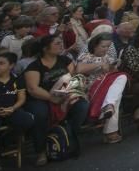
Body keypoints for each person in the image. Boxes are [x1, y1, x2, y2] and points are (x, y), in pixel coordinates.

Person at [22, 35, 89, 166]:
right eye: (57, 43)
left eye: (61, 43)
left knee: (82, 105)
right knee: (40, 114)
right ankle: (40, 151)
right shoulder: (34, 66)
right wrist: (52, 98)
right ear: (45, 48)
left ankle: (69, 138)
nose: (61, 45)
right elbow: (33, 89)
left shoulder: (65, 60)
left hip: (64, 94)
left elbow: (74, 78)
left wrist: (71, 93)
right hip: (41, 97)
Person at [0, 51, 34, 170]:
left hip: (12, 110)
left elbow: (22, 98)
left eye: (1, 63)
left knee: (28, 120)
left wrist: (13, 108)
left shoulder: (17, 79)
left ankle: (5, 140)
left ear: (11, 65)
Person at [75, 33, 127, 144]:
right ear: (94, 46)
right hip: (92, 89)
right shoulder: (86, 56)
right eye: (103, 46)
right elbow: (79, 69)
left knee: (121, 77)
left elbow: (113, 75)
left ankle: (108, 105)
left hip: (106, 88)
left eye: (108, 46)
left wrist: (112, 67)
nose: (106, 49)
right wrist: (99, 64)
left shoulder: (108, 57)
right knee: (116, 94)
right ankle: (110, 131)